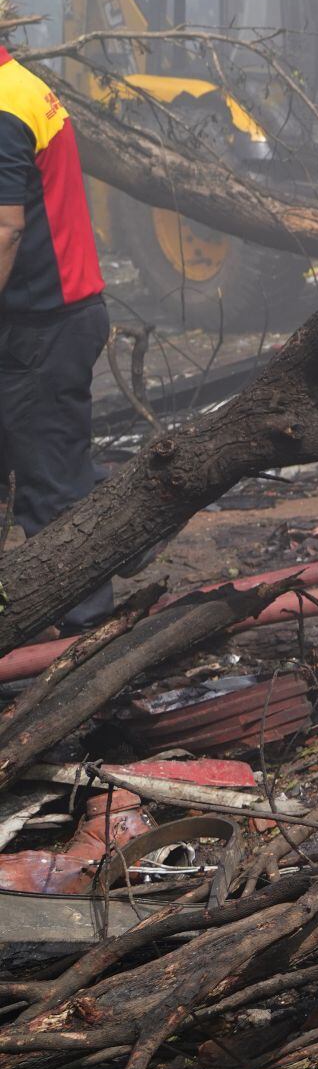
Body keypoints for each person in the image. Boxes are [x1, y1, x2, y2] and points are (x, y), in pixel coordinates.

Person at [0, 41, 113, 632]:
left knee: (52, 491)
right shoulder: (20, 85)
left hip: (40, 328)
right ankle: (140, 513)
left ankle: (86, 649)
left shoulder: (3, 107)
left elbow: (4, 229)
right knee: (49, 465)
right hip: (51, 320)